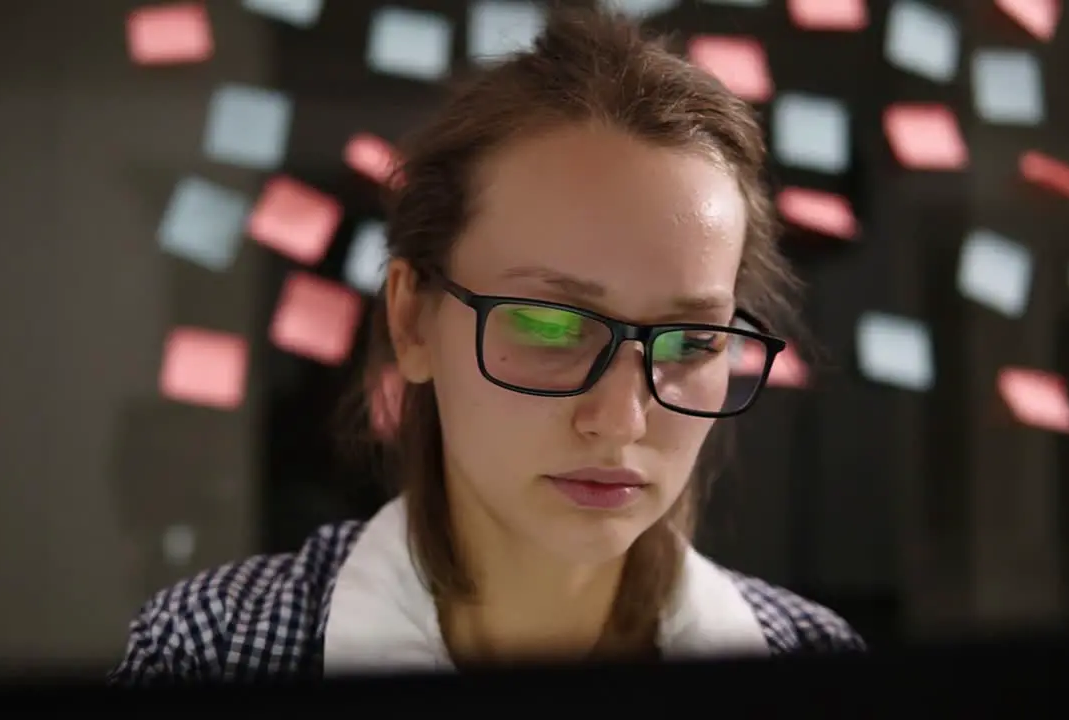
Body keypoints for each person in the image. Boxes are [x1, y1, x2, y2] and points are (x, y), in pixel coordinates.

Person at [109, 6, 865, 684]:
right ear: (411, 321)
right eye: (550, 326)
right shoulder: (213, 652)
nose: (621, 417)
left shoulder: (815, 659)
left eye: (692, 341)